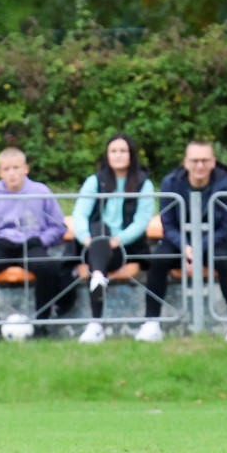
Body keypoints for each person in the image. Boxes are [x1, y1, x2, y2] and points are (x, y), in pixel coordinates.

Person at [138, 140, 227, 343]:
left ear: (213, 162)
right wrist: (185, 247)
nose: (200, 166)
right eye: (195, 161)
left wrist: (198, 247)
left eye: (205, 160)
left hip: (215, 241)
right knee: (158, 260)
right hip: (179, 241)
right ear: (186, 162)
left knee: (225, 261)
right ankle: (151, 322)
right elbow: (167, 223)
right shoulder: (171, 183)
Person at [0, 147, 74, 338]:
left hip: (33, 243)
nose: (12, 173)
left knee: (46, 267)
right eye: (6, 169)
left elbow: (58, 226)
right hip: (3, 246)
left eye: (16, 168)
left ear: (25, 168)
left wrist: (41, 239)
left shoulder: (40, 191)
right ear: (0, 172)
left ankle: (41, 325)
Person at [71, 133, 155, 344]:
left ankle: (96, 324)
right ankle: (99, 278)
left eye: (123, 151)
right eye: (113, 151)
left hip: (127, 248)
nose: (118, 155)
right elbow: (80, 213)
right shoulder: (94, 181)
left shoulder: (143, 183)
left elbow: (142, 221)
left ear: (131, 154)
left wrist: (119, 240)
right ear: (107, 155)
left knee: (99, 253)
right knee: (99, 233)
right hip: (94, 244)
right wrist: (85, 238)